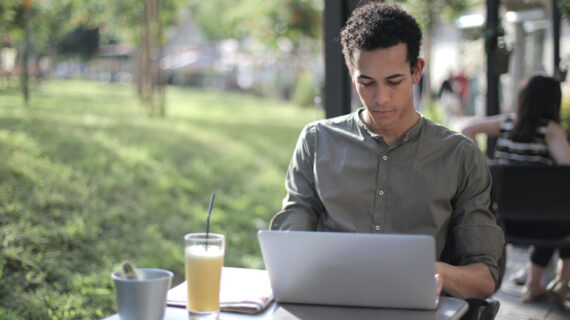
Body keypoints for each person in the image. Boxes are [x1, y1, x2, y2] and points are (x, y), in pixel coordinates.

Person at [271, 2, 505, 302]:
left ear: (416, 71)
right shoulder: (317, 142)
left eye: (394, 81)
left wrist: (433, 272)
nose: (380, 98)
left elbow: (484, 278)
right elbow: (289, 250)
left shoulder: (459, 156)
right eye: (366, 83)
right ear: (351, 73)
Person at [462, 74, 570, 308]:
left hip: (502, 220)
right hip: (545, 226)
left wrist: (489, 164)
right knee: (564, 216)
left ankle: (536, 284)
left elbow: (467, 129)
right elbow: (566, 169)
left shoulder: (507, 123)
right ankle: (555, 284)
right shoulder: (550, 130)